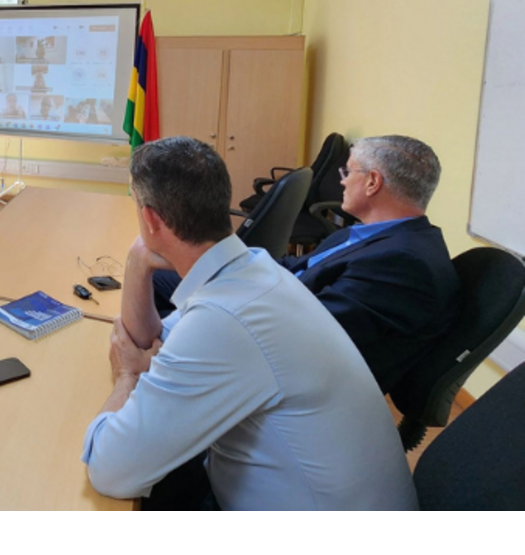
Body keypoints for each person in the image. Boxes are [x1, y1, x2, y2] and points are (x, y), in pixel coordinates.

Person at [82, 136, 416, 510]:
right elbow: (149, 341)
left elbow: (108, 470)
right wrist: (138, 260)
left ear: (150, 218)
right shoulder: (255, 269)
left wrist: (127, 375)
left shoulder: (224, 320)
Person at [153, 134, 459, 393]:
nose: (342, 181)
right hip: (268, 304)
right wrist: (218, 261)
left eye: (348, 172)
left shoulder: (403, 263)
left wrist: (223, 299)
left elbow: (306, 337)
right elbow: (299, 265)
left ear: (372, 182)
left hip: (282, 370)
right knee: (159, 279)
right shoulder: (372, 235)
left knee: (161, 326)